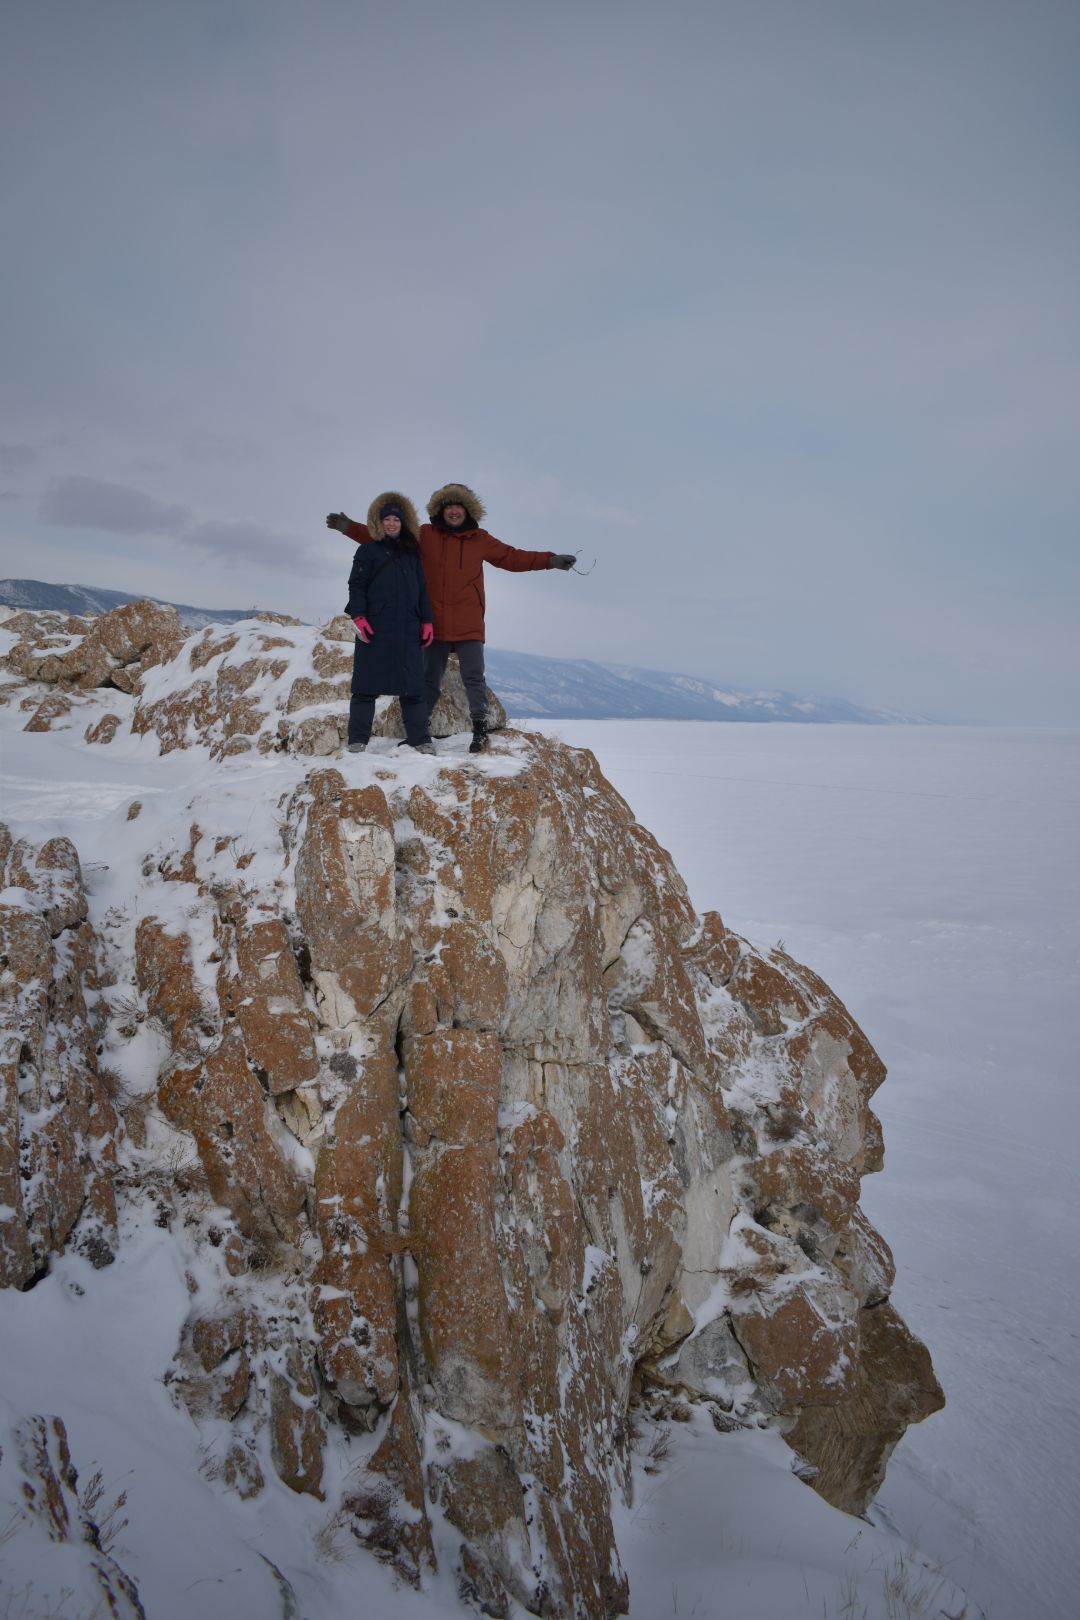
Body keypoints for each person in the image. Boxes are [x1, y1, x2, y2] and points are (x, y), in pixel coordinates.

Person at [328, 482, 575, 752]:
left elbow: (511, 558)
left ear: (468, 511)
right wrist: (349, 528)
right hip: (432, 622)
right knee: (427, 680)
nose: (454, 512)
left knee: (473, 676)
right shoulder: (425, 535)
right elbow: (387, 538)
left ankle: (479, 729)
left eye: (459, 507)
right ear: (440, 511)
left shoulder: (480, 539)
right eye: (449, 507)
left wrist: (550, 561)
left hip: (468, 620)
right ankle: (419, 734)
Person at [342, 492, 436, 755]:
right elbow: (356, 585)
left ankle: (420, 739)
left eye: (396, 519)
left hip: (408, 629)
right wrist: (359, 616)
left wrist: (427, 621)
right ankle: (357, 739)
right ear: (378, 522)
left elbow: (422, 591)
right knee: (365, 687)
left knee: (413, 688)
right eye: (387, 519)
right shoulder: (367, 551)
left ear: (403, 523)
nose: (392, 523)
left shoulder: (412, 555)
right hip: (376, 628)